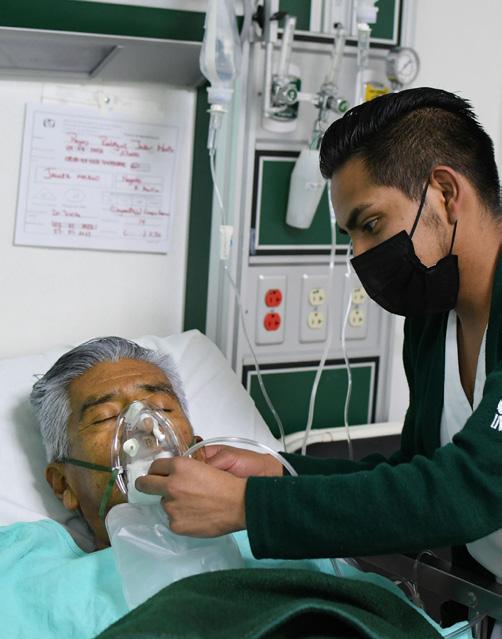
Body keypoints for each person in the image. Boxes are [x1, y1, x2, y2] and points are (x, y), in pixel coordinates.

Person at [136, 87, 502, 614]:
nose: (359, 256)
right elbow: (417, 473)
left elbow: (469, 489)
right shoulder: (431, 321)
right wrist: (278, 473)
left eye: (371, 224)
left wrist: (251, 507)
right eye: (351, 235)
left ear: (445, 193)